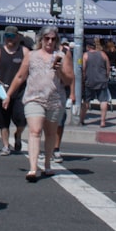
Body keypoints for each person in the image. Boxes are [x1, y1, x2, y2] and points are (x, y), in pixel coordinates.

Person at [11, 25, 73, 182]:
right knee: (35, 130)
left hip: (55, 99)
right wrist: (8, 95)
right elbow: (20, 76)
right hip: (34, 98)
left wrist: (59, 71)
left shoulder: (62, 56)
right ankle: (32, 168)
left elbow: (68, 80)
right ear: (41, 39)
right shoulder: (31, 55)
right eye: (47, 38)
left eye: (53, 39)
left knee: (51, 133)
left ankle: (47, 164)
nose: (50, 42)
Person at [0, 26, 29, 155]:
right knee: (3, 121)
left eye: (12, 36)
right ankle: (6, 146)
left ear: (17, 37)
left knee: (22, 119)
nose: (9, 39)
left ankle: (18, 134)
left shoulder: (25, 52)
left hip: (20, 92)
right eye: (7, 36)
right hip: (3, 91)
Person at [82, 37, 111, 127]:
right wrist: (106, 76)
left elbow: (83, 69)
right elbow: (108, 67)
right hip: (102, 80)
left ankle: (81, 119)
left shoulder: (85, 55)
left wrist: (83, 80)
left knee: (86, 102)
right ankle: (103, 121)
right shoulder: (103, 54)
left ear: (88, 47)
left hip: (89, 81)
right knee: (103, 101)